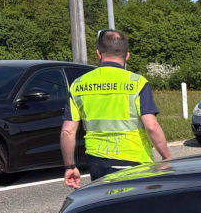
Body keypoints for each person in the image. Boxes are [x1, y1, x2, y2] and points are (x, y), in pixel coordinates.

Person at [61, 30, 172, 189]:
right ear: (127, 56)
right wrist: (167, 157)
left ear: (98, 54)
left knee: (106, 206)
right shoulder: (137, 83)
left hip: (96, 160)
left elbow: (67, 132)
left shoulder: (78, 84)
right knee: (132, 209)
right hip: (133, 159)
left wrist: (70, 166)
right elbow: (151, 126)